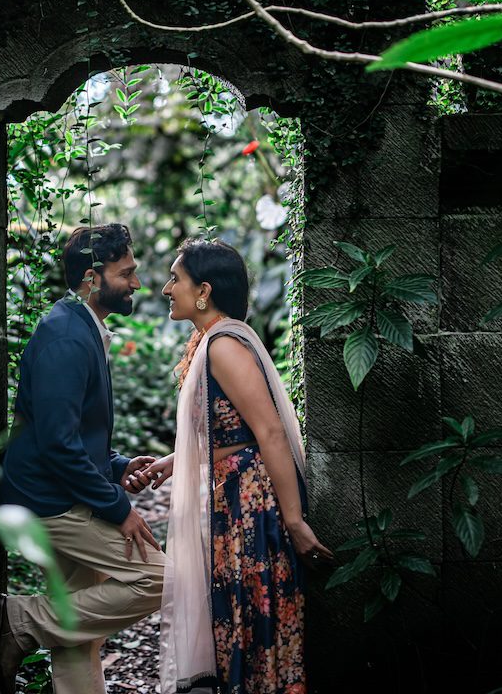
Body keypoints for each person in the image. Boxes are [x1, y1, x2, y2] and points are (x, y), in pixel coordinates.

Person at [127, 238, 333, 694]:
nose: (166, 289)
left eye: (175, 279)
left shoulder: (223, 346)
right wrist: (173, 462)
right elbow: (230, 432)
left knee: (253, 611)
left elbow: (269, 432)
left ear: (203, 291)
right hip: (233, 497)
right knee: (242, 611)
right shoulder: (210, 341)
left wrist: (294, 522)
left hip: (250, 502)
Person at [0, 223, 165, 694]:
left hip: (58, 491)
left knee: (78, 635)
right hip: (48, 501)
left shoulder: (79, 325)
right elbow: (57, 443)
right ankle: (21, 620)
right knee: (162, 579)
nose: (136, 283)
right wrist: (117, 508)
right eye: (126, 273)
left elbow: (70, 431)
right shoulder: (67, 337)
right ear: (92, 277)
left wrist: (117, 466)